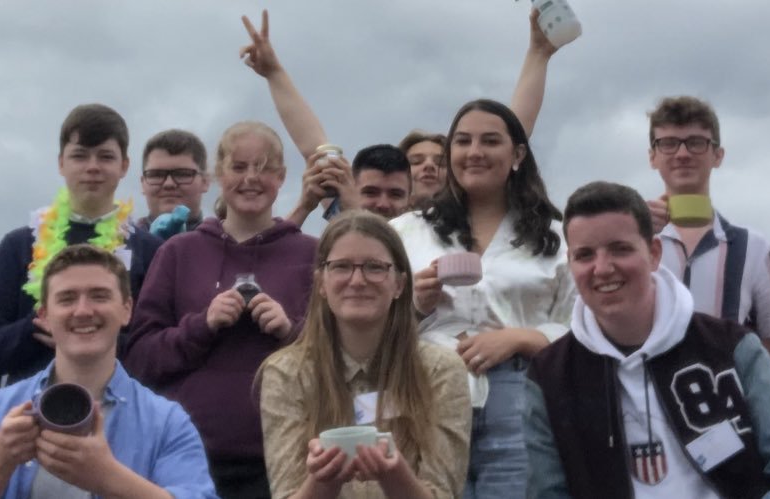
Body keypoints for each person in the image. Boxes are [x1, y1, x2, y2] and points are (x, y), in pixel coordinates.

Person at [525, 181, 770, 498]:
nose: (603, 268)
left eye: (620, 249)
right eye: (584, 255)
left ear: (653, 253)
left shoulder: (732, 348)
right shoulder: (548, 377)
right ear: (570, 265)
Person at [389, 99, 575, 498]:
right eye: (462, 142)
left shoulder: (557, 239)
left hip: (521, 391)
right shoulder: (406, 231)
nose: (474, 152)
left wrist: (521, 338)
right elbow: (370, 326)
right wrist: (418, 306)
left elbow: (583, 326)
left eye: (490, 141)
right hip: (426, 391)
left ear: (518, 154)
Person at [0, 245, 216, 499]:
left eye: (99, 296)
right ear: (44, 316)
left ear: (127, 310)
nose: (82, 311)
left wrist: (110, 479)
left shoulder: (167, 423)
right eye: (66, 299)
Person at [125, 120, 317, 498]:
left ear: (281, 177)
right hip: (189, 458)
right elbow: (139, 358)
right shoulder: (179, 253)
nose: (251, 179)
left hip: (287, 457)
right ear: (218, 175)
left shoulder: (311, 255)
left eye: (263, 168)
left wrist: (289, 332)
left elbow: (340, 357)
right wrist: (202, 325)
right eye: (240, 167)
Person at [235, 9, 566, 223]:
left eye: (438, 161)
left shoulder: (460, 223)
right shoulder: (355, 207)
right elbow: (317, 149)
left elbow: (511, 132)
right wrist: (274, 74)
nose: (427, 168)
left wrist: (538, 54)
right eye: (416, 160)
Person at [258, 211, 472, 499]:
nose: (357, 280)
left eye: (374, 267)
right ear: (321, 282)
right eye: (341, 267)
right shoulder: (286, 373)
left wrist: (395, 476)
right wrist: (323, 481)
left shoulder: (441, 370)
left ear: (399, 284)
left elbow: (443, 494)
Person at [0, 103, 163, 391]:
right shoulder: (19, 245)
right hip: (29, 411)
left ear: (124, 165)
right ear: (61, 163)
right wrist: (38, 327)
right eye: (80, 156)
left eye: (106, 157)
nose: (93, 167)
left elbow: (156, 351)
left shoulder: (151, 250)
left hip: (119, 408)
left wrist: (90, 335)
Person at [641, 96, 770, 396]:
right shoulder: (632, 245)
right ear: (653, 156)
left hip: (734, 412)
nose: (683, 153)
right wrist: (634, 232)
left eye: (697, 142)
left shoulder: (753, 249)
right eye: (669, 143)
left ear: (718, 155)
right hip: (648, 412)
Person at [137, 129, 212, 239]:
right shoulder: (116, 247)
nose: (169, 184)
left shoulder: (228, 247)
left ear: (205, 182)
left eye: (182, 174)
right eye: (157, 175)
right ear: (143, 184)